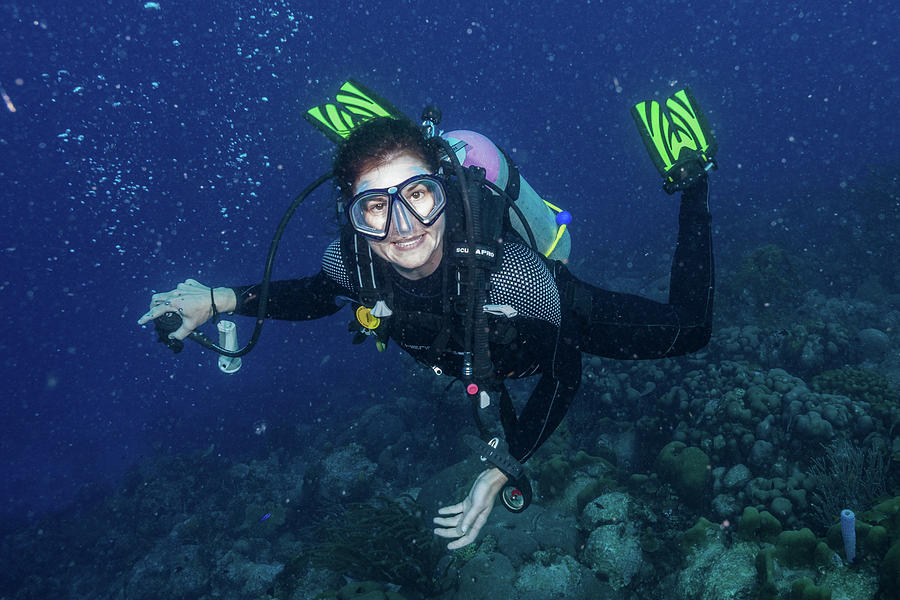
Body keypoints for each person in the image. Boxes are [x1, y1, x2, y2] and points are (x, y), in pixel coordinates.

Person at [138, 115, 714, 550]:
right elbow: (317, 293)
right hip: (475, 353)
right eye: (375, 208)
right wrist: (222, 300)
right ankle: (397, 149)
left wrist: (503, 466)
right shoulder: (354, 264)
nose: (405, 229)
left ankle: (693, 179)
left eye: (417, 194)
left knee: (691, 331)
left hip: (541, 327)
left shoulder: (515, 276)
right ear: (354, 219)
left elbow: (565, 372)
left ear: (442, 192)